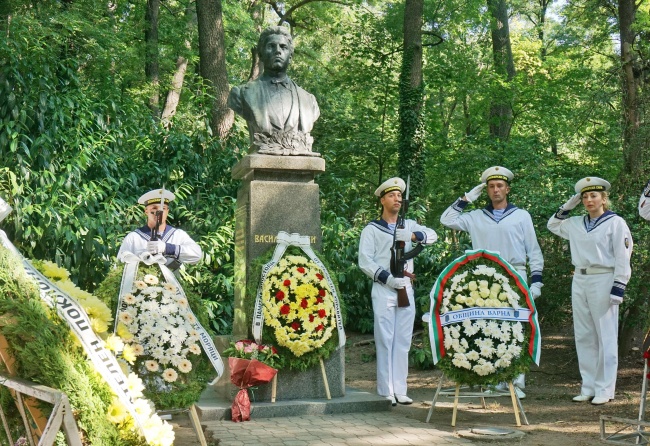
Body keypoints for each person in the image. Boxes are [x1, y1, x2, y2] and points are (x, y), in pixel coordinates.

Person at [440, 166, 544, 399]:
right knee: (490, 328)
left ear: (507, 188)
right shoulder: (476, 217)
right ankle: (494, 379)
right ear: (486, 190)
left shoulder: (521, 215)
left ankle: (516, 382)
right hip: (484, 279)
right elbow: (446, 220)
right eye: (491, 186)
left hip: (515, 275)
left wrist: (536, 282)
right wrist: (467, 198)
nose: (495, 190)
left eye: (500, 186)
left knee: (517, 328)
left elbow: (534, 251)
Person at [547, 177, 632, 405]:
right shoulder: (575, 223)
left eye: (593, 195)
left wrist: (619, 286)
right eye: (584, 196)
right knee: (584, 334)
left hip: (604, 278)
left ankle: (605, 389)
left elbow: (623, 256)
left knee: (605, 334)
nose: (588, 200)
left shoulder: (615, 222)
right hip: (580, 278)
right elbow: (552, 225)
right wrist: (568, 205)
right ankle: (589, 386)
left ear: (604, 198)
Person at [358, 177, 438, 406]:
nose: (397, 199)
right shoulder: (371, 229)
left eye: (399, 195)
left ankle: (401, 389)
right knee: (385, 340)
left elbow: (433, 235)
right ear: (382, 200)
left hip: (406, 289)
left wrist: (413, 237)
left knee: (403, 341)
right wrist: (388, 279)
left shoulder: (409, 225)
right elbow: (365, 261)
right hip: (384, 289)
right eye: (392, 195)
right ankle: (386, 390)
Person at [228, 26, 320, 156]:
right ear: (261, 54)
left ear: (290, 56)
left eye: (283, 47)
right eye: (271, 46)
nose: (277, 51)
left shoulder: (309, 101)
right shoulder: (241, 94)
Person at [117, 188, 202, 271]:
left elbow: (197, 255)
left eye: (163, 208)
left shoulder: (178, 235)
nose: (159, 212)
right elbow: (118, 266)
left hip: (171, 284)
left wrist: (168, 248)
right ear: (146, 211)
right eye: (154, 208)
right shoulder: (134, 237)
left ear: (167, 211)